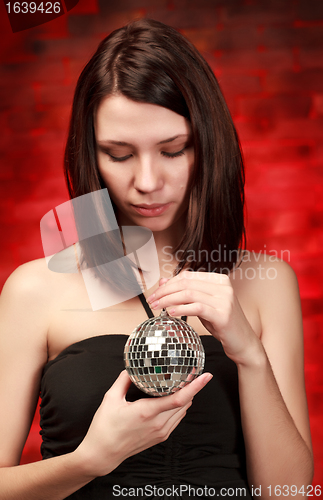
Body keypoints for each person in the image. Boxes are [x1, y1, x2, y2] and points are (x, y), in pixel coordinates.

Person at [0, 18, 314, 500]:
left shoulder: (266, 282)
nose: (147, 182)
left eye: (172, 150)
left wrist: (249, 353)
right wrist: (90, 461)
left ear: (208, 147)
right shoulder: (33, 290)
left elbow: (290, 493)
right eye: (119, 154)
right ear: (90, 155)